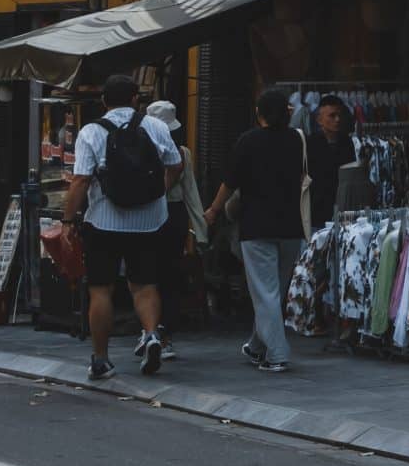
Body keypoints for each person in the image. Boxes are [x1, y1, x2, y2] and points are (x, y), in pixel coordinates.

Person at [62, 74, 185, 381]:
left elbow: (81, 180)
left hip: (103, 220)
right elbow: (175, 162)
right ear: (135, 99)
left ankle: (102, 359)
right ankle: (152, 335)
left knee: (100, 290)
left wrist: (66, 221)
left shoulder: (91, 131)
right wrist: (159, 191)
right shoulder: (155, 127)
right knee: (145, 285)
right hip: (149, 221)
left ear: (104, 101)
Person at [203, 89, 310, 374]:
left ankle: (276, 354)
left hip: (257, 226)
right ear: (287, 112)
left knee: (265, 293)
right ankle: (256, 345)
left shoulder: (247, 141)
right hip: (291, 226)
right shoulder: (297, 140)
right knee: (275, 291)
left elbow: (229, 182)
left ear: (258, 112)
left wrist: (213, 210)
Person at [145, 98, 204, 362]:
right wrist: (201, 230)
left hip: (146, 215)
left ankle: (150, 330)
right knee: (168, 275)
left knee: (146, 275)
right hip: (174, 215)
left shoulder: (141, 149)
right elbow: (191, 192)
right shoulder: (181, 152)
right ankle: (163, 334)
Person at [307, 95, 355, 229]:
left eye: (339, 115)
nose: (337, 120)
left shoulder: (347, 143)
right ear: (320, 119)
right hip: (317, 213)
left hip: (343, 211)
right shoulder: (310, 143)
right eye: (332, 116)